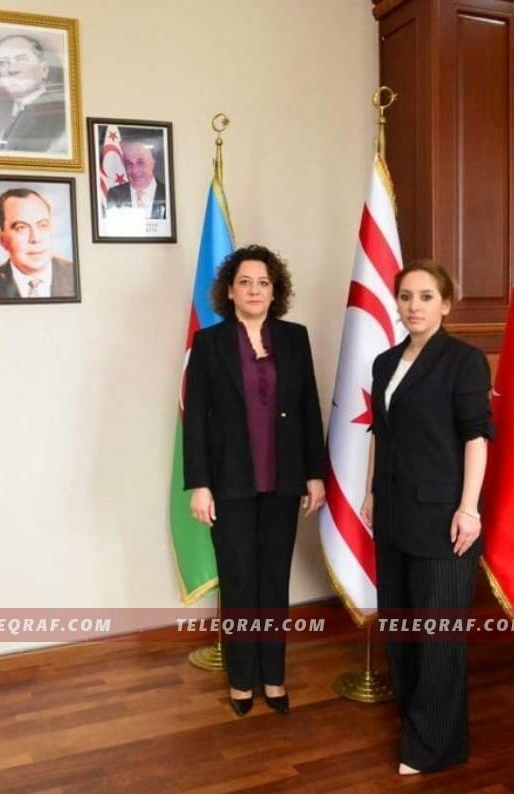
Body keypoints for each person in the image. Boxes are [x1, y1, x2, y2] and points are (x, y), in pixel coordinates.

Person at [359, 261, 493, 775]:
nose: (414, 305)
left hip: (444, 519)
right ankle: (413, 720)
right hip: (394, 513)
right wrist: (371, 492)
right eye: (406, 296)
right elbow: (380, 432)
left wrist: (469, 508)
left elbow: (476, 437)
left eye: (426, 296)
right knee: (400, 625)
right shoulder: (385, 362)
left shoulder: (464, 361)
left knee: (439, 635)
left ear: (446, 304)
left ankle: (434, 747)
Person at [183, 245, 326, 716]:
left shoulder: (294, 338)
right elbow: (195, 419)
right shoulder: (209, 343)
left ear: (274, 290)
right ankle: (242, 680)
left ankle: (273, 677)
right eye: (245, 282)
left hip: (283, 481)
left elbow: (308, 408)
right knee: (239, 583)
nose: (254, 290)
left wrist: (315, 474)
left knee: (273, 582)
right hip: (230, 484)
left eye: (263, 282)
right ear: (230, 291)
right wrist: (200, 484)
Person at [0, 188, 76, 300]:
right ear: (1, 239)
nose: (35, 238)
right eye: (21, 227)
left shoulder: (77, 275)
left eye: (43, 225)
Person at [0, 35, 66, 153]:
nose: (11, 70)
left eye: (21, 59)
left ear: (44, 69)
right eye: (3, 62)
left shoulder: (59, 116)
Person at [105, 136, 167, 219]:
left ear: (152, 162)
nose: (135, 170)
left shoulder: (167, 193)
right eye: (128, 164)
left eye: (140, 162)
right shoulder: (115, 195)